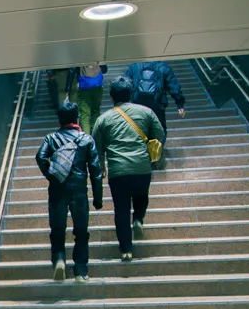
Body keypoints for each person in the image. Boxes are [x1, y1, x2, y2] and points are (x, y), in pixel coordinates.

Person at [93, 77, 166, 262]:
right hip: (142, 167)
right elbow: (160, 134)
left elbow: (96, 147)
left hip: (118, 172)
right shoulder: (146, 112)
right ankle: (139, 220)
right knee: (142, 197)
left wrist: (101, 168)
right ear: (131, 93)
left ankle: (126, 250)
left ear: (111, 96)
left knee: (121, 209)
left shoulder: (103, 119)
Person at [35, 102, 103, 282]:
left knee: (57, 230)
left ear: (59, 119)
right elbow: (96, 170)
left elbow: (40, 157)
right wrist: (98, 197)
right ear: (76, 118)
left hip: (57, 189)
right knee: (81, 231)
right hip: (79, 190)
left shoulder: (51, 138)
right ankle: (80, 271)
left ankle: (59, 260)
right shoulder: (86, 139)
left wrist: (52, 175)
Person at [123, 61, 185, 165]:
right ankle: (156, 155)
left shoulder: (135, 66)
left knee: (139, 129)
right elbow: (173, 86)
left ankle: (140, 156)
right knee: (160, 129)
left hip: (138, 104)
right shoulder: (163, 67)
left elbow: (124, 83)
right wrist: (179, 104)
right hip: (157, 104)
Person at [67, 63, 107, 135]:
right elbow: (104, 69)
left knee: (84, 115)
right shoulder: (98, 54)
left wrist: (68, 87)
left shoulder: (81, 55)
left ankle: (87, 138)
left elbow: (72, 70)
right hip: (97, 86)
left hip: (84, 87)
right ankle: (95, 135)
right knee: (96, 111)